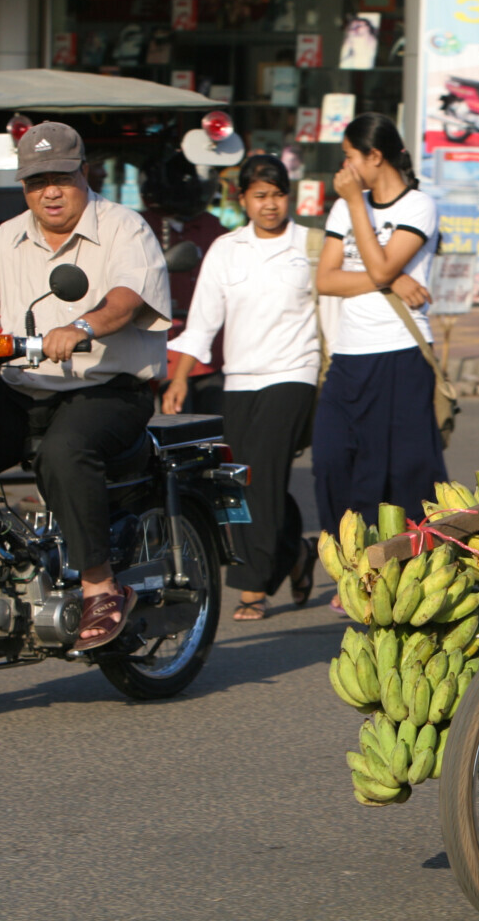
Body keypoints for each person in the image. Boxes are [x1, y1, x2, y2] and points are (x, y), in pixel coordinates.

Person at [0, 122, 172, 649]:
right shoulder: (7, 237)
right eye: (36, 180)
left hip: (106, 390)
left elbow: (126, 298)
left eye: (60, 178)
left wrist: (82, 326)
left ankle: (100, 586)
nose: (49, 191)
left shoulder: (122, 228)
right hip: (25, 388)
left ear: (82, 172)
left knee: (65, 451)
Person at [162, 156, 320, 620]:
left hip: (295, 373)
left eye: (277, 194)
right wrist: (177, 377)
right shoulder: (225, 249)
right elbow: (204, 320)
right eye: (259, 195)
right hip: (240, 379)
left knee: (264, 475)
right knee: (242, 480)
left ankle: (253, 586)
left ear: (288, 196)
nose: (269, 205)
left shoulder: (310, 245)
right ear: (243, 199)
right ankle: (294, 551)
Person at [313, 112, 445, 552]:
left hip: (401, 352)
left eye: (350, 156)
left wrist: (356, 205)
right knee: (331, 459)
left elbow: (382, 264)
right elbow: (326, 279)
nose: (344, 168)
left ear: (375, 155)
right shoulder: (341, 206)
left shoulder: (418, 206)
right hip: (349, 355)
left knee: (404, 471)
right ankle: (350, 557)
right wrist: (392, 279)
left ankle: (407, 561)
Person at [141, 149, 229, 415]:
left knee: (212, 426)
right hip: (160, 348)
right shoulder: (140, 228)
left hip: (211, 351)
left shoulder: (214, 228)